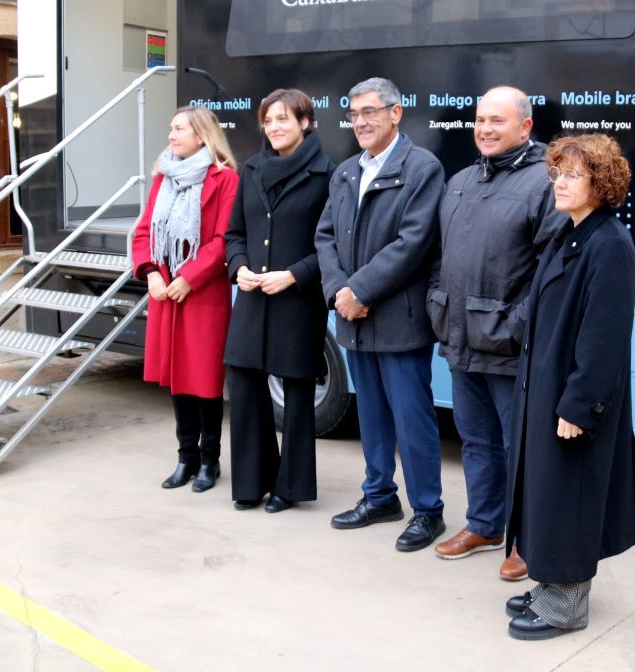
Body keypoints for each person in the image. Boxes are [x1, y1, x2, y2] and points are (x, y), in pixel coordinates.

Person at [503, 133, 635, 640]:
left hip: (573, 400)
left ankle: (567, 604)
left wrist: (580, 405)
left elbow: (603, 338)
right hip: (546, 389)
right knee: (546, 492)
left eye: (572, 175)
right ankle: (549, 585)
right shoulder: (572, 232)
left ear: (600, 184)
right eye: (557, 173)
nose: (559, 183)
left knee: (570, 498)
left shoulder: (610, 245)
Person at [428, 87, 566, 582]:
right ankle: (484, 526)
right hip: (462, 340)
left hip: (510, 346)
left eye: (497, 120)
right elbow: (440, 257)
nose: (485, 128)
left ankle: (528, 540)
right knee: (476, 440)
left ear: (525, 127)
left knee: (521, 446)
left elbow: (552, 273)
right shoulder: (462, 179)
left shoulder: (544, 184)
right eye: (480, 119)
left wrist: (515, 326)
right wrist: (436, 306)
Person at [315, 77, 447, 552]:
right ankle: (379, 497)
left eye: (370, 112)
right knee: (370, 414)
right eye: (353, 114)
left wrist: (361, 288)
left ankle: (428, 510)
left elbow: (413, 243)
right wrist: (339, 293)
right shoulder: (347, 171)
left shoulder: (422, 168)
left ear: (396, 114)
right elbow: (325, 236)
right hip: (353, 317)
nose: (360, 122)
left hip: (399, 319)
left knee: (412, 419)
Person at [224, 89, 335, 513]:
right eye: (268, 120)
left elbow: (331, 245)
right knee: (245, 386)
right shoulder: (250, 170)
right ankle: (251, 483)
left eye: (283, 119)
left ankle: (291, 487)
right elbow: (234, 233)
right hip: (252, 297)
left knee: (298, 395)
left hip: (298, 300)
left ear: (305, 122)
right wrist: (240, 267)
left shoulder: (328, 175)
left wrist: (294, 274)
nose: (274, 127)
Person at [132, 106, 238, 494]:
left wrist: (189, 278)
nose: (172, 135)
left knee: (205, 381)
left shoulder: (225, 179)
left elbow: (223, 240)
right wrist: (153, 272)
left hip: (201, 294)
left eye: (179, 129)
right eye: (171, 128)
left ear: (202, 135)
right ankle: (185, 458)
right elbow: (144, 231)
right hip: (167, 293)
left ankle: (210, 461)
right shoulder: (164, 176)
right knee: (179, 379)